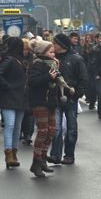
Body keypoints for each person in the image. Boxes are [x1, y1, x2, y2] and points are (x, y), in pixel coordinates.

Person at [48, 33, 88, 165]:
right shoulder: (52, 60)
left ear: (61, 45)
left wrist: (77, 94)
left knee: (71, 128)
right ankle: (55, 155)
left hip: (70, 98)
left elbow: (83, 79)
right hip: (56, 97)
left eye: (55, 43)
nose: (53, 45)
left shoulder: (76, 59)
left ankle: (69, 155)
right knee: (57, 128)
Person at [27, 40, 60, 177]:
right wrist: (48, 76)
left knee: (52, 131)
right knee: (42, 131)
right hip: (39, 101)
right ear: (42, 52)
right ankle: (36, 163)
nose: (53, 54)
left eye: (53, 52)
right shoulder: (37, 64)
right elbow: (32, 82)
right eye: (50, 52)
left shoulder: (53, 63)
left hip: (50, 102)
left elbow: (55, 82)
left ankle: (43, 159)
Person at [0, 37, 27, 169]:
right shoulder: (9, 59)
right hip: (9, 97)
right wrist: (7, 86)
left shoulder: (20, 60)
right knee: (10, 125)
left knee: (17, 127)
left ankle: (14, 154)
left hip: (20, 98)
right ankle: (8, 154)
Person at [20, 38, 35, 145]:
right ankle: (23, 132)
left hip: (31, 89)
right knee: (22, 113)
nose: (25, 51)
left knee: (30, 113)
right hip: (19, 90)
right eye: (23, 49)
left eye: (26, 49)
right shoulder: (15, 59)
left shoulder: (33, 59)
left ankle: (28, 134)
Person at [82, 33, 97, 110]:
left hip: (93, 68)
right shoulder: (84, 46)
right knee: (89, 85)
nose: (88, 39)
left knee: (93, 86)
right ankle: (90, 99)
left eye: (89, 37)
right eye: (86, 38)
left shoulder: (94, 47)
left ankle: (93, 101)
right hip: (86, 67)